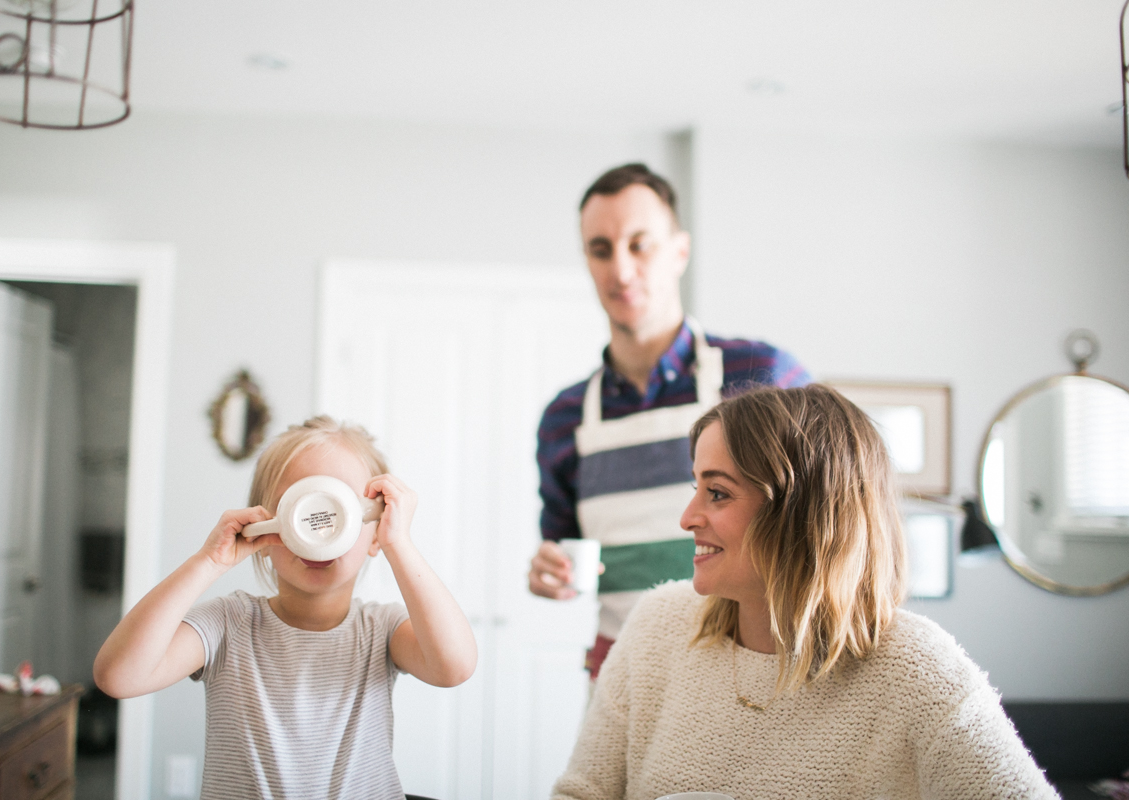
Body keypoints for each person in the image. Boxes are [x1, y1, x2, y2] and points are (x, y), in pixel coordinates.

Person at [551, 385, 1058, 800]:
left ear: (800, 512)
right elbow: (581, 793)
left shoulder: (918, 670)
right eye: (695, 488)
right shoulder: (657, 626)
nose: (688, 519)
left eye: (718, 493)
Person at [94, 416, 478, 800]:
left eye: (341, 509)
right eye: (301, 508)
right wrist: (208, 561)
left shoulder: (382, 629)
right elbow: (119, 677)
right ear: (262, 525)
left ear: (375, 531)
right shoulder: (227, 625)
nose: (321, 529)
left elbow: (454, 667)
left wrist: (401, 544)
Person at [530, 163, 809, 678]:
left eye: (640, 244)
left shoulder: (761, 373)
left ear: (679, 251)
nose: (620, 269)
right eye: (600, 248)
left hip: (748, 669)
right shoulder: (563, 418)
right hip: (621, 674)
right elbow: (562, 545)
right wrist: (550, 571)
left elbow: (824, 518)